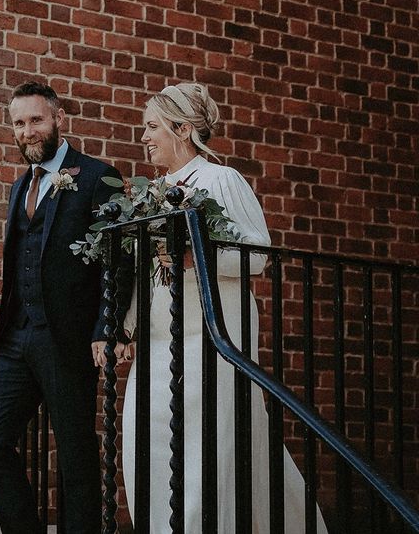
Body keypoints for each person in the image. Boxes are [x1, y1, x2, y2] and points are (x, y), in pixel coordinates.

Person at [114, 83, 328, 533]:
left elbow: (256, 254)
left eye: (152, 127)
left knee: (203, 449)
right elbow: (143, 272)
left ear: (183, 129)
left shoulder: (221, 180)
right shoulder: (151, 193)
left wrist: (197, 255)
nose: (144, 137)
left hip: (208, 339)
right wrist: (125, 328)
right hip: (157, 340)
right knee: (146, 445)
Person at [0, 81, 127, 533]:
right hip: (15, 338)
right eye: (18, 124)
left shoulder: (98, 177)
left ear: (59, 118)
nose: (27, 131)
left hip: (66, 335)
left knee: (75, 454)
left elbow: (117, 262)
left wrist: (106, 325)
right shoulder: (19, 188)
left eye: (35, 120)